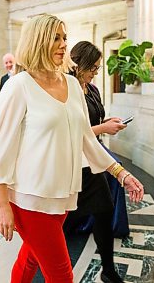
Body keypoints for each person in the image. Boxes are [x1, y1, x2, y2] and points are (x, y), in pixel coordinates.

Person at [0, 14, 144, 283]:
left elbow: (86, 138)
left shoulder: (73, 85)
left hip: (64, 194)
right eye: (55, 37)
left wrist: (121, 173)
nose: (63, 44)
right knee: (62, 275)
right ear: (38, 40)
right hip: (30, 198)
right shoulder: (19, 86)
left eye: (64, 37)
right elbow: (0, 148)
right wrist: (2, 205)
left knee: (31, 256)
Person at [63, 41, 130, 283]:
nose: (95, 73)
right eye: (92, 67)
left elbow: (94, 120)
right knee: (64, 220)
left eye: (97, 69)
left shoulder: (91, 90)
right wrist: (103, 127)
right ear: (78, 64)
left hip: (92, 160)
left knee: (104, 210)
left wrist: (108, 121)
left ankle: (108, 270)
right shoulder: (66, 89)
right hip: (71, 163)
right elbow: (70, 132)